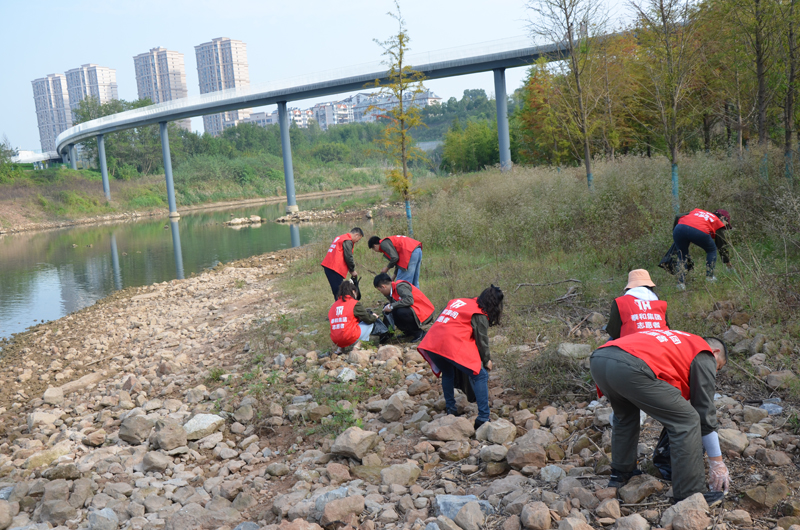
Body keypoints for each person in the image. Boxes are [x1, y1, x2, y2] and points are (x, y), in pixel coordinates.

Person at [590, 330, 730, 505]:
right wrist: (717, 463)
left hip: (601, 358)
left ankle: (621, 474)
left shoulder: (680, 340)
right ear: (715, 352)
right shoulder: (703, 352)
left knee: (625, 415)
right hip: (630, 365)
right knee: (687, 420)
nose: (714, 372)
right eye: (718, 367)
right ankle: (689, 493)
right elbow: (704, 411)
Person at [418, 286, 504, 430]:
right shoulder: (479, 314)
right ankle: (483, 417)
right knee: (480, 375)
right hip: (449, 344)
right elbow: (481, 341)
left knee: (448, 372)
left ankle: (451, 408)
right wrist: (486, 360)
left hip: (432, 341)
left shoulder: (459, 301)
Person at [673, 209, 732, 290]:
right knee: (711, 250)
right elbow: (722, 245)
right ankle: (710, 278)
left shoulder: (698, 212)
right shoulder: (716, 221)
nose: (725, 228)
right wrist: (728, 263)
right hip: (697, 231)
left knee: (682, 255)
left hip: (679, 228)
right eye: (726, 224)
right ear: (722, 218)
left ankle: (680, 284)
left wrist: (678, 235)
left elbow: (678, 216)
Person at [606, 269, 669, 339]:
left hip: (632, 344)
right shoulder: (660, 303)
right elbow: (667, 328)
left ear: (629, 286)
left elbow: (613, 331)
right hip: (661, 343)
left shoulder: (620, 302)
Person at [373, 273, 434, 342]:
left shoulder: (400, 286)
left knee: (401, 312)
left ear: (383, 286)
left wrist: (392, 306)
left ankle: (419, 333)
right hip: (414, 311)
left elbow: (409, 300)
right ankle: (408, 332)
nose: (381, 292)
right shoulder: (390, 293)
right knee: (391, 311)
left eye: (380, 290)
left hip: (424, 312)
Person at [328, 280, 384, 355]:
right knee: (370, 323)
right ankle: (357, 346)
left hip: (335, 339)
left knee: (341, 326)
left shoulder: (334, 305)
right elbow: (368, 319)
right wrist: (374, 316)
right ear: (353, 292)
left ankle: (340, 348)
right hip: (348, 337)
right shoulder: (354, 303)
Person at [321, 228, 363, 300]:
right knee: (339, 292)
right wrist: (352, 270)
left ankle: (341, 307)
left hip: (329, 266)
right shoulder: (347, 240)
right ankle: (341, 308)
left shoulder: (340, 238)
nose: (357, 242)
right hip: (334, 268)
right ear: (356, 235)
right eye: (358, 240)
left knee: (338, 290)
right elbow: (348, 256)